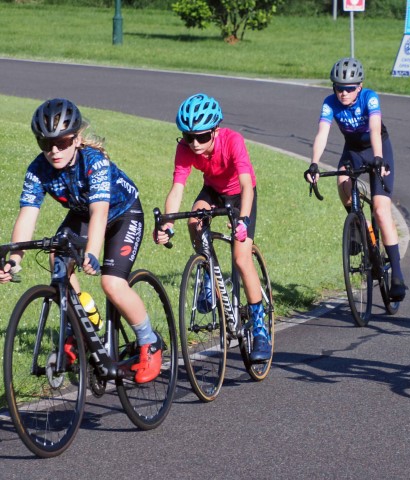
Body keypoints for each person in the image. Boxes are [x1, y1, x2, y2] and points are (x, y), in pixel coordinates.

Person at [0, 98, 162, 383]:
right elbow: (27, 216)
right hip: (83, 213)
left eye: (61, 142)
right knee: (57, 257)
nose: (54, 151)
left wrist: (92, 253)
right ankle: (83, 318)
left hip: (122, 213)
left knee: (111, 283)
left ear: (75, 139)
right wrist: (14, 259)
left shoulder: (94, 162)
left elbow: (100, 212)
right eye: (45, 143)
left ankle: (150, 341)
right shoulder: (38, 169)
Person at [153, 93, 271, 362]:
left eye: (202, 137)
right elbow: (177, 188)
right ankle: (208, 273)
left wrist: (243, 220)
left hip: (241, 196)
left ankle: (260, 328)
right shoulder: (185, 148)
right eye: (188, 137)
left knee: (241, 258)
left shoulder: (233, 141)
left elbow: (246, 184)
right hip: (214, 191)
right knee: (194, 220)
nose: (195, 144)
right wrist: (168, 223)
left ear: (215, 131)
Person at [304, 57, 407, 301]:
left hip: (378, 148)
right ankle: (359, 226)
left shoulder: (370, 97)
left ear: (359, 87)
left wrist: (379, 158)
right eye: (339, 88)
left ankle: (397, 275)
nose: (343, 93)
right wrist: (314, 164)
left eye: (349, 88)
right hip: (353, 151)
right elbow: (322, 133)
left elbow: (375, 129)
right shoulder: (330, 103)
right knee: (342, 181)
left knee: (381, 210)